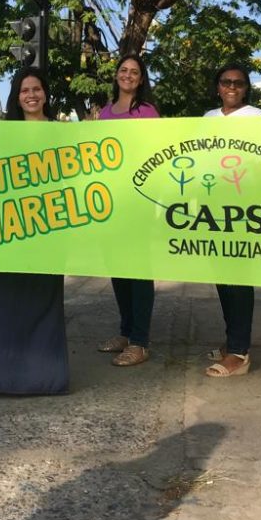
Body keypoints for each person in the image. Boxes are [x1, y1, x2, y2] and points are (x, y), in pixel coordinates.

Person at [0, 68, 69, 395]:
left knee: (41, 303)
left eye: (37, 88)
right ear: (16, 97)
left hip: (49, 231)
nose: (31, 95)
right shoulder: (2, 134)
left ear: (46, 93)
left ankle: (41, 377)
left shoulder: (63, 133)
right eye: (24, 90)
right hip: (7, 230)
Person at [203, 64, 261, 378]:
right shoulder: (209, 118)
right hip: (214, 208)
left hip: (243, 207)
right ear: (218, 87)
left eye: (238, 83)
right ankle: (232, 340)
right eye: (226, 82)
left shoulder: (256, 117)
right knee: (223, 278)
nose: (231, 87)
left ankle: (240, 352)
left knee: (239, 278)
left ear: (246, 88)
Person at [97, 53, 160, 366]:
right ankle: (125, 330)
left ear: (141, 78)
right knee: (118, 268)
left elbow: (157, 154)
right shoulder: (105, 112)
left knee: (138, 271)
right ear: (116, 75)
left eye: (135, 71)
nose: (128, 75)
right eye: (124, 70)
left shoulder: (147, 112)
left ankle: (140, 341)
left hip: (137, 202)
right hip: (110, 202)